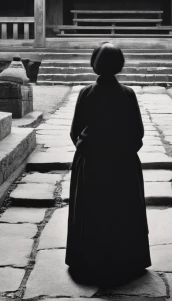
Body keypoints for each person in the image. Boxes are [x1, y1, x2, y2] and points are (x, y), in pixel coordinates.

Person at [66, 42, 151, 286]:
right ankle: (126, 259)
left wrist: (88, 151)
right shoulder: (127, 93)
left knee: (90, 209)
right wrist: (122, 152)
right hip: (122, 162)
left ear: (94, 63)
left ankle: (86, 258)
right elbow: (138, 132)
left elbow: (75, 131)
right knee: (122, 209)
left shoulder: (85, 93)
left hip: (90, 160)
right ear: (119, 65)